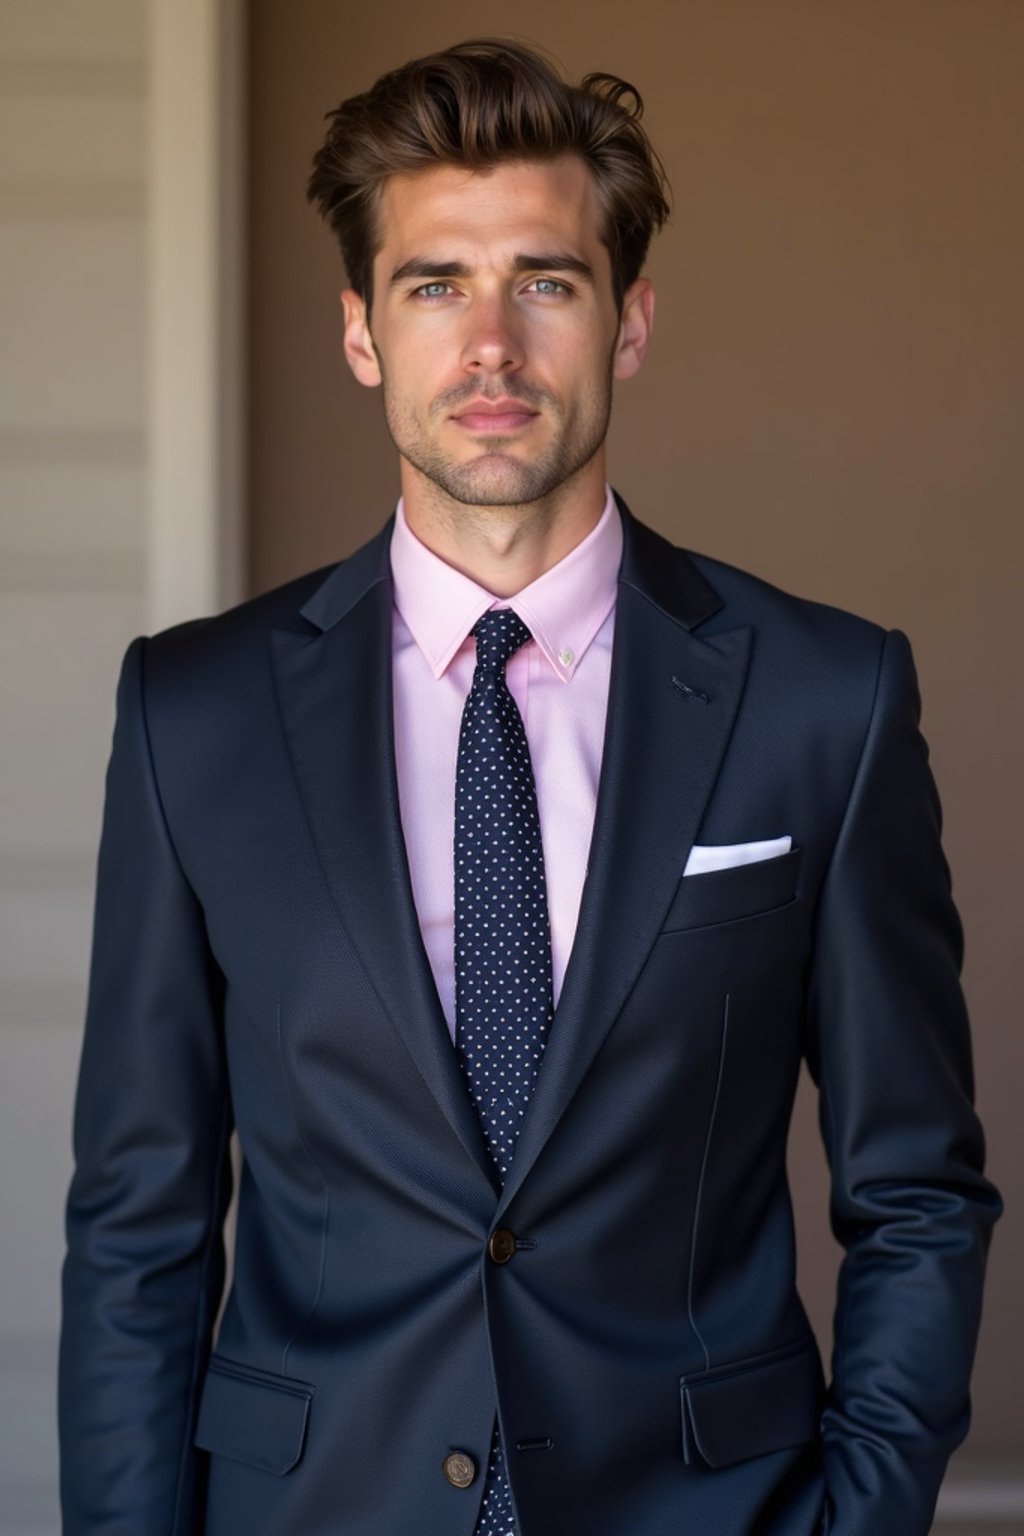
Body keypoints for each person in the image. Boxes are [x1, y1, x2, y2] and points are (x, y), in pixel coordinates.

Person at [58, 37, 1001, 1536]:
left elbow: (917, 1193)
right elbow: (139, 1225)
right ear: (361, 331)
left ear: (630, 323)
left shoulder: (828, 700)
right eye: (435, 285)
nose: (489, 344)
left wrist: (860, 1517)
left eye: (545, 283)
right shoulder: (194, 713)